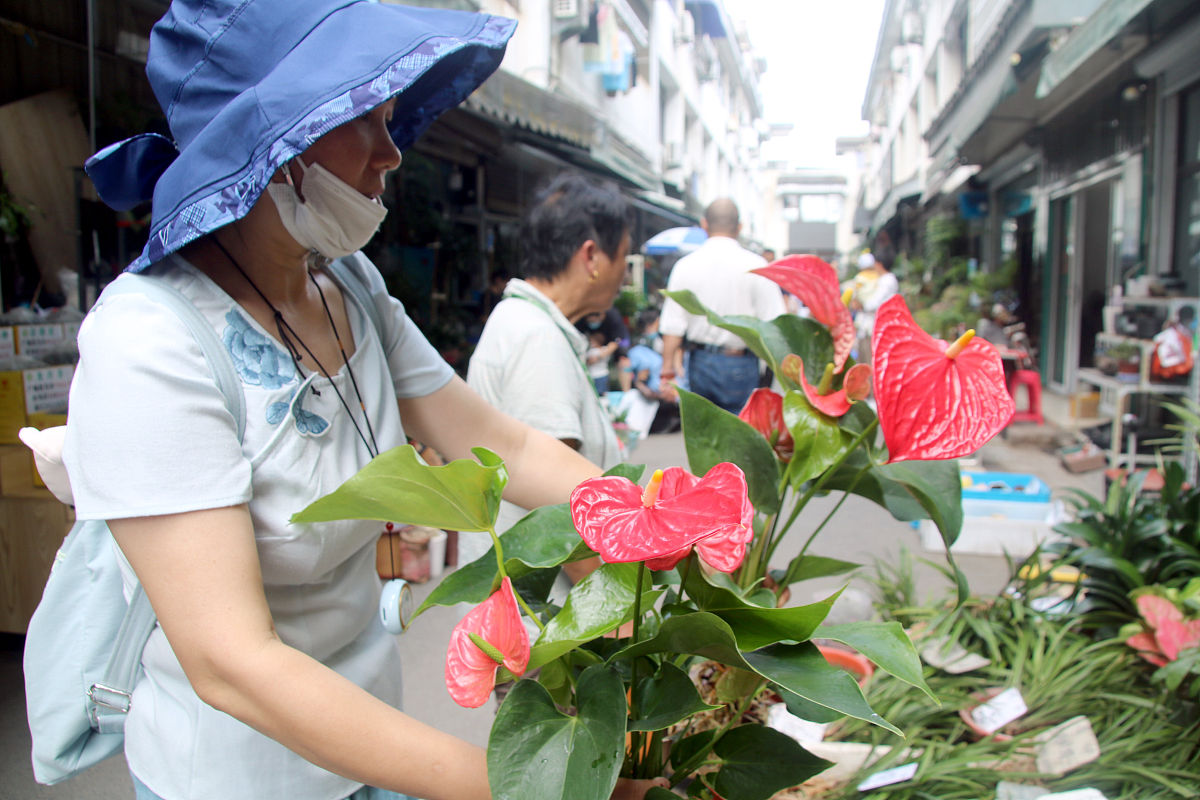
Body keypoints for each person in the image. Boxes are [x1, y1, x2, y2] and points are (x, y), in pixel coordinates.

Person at [69, 3, 662, 799]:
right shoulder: (148, 341)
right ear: (272, 139)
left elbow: (501, 445)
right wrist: (530, 787)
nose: (392, 153)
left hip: (375, 747)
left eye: (392, 119)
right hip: (239, 777)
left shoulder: (350, 285)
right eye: (365, 120)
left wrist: (657, 521)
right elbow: (233, 663)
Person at [466, 172, 631, 547]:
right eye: (623, 255)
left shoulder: (528, 323)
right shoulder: (536, 338)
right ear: (591, 257)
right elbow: (563, 514)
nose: (624, 274)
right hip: (543, 603)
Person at [658, 198, 786, 413]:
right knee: (741, 436)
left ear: (704, 224)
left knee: (703, 436)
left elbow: (673, 326)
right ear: (740, 227)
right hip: (742, 363)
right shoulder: (757, 266)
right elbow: (776, 327)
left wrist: (667, 372)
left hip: (700, 362)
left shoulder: (685, 266)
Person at [850, 250, 899, 364]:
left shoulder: (888, 280)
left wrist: (861, 304)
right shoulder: (877, 279)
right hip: (866, 326)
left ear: (879, 264)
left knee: (870, 362)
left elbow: (873, 304)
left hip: (873, 328)